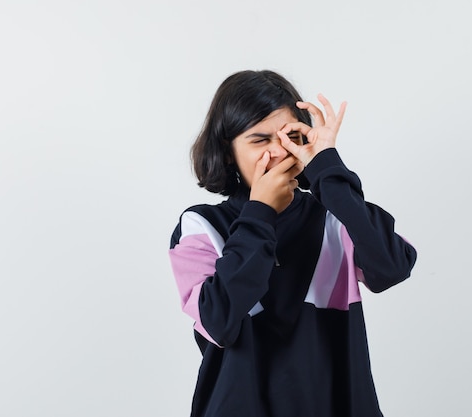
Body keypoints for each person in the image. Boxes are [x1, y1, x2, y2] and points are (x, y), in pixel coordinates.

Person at [168, 70, 417, 417]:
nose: (277, 151)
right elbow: (219, 321)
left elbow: (392, 266)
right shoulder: (201, 226)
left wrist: (325, 168)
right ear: (228, 153)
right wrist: (260, 212)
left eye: (289, 137)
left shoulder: (334, 215)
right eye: (259, 140)